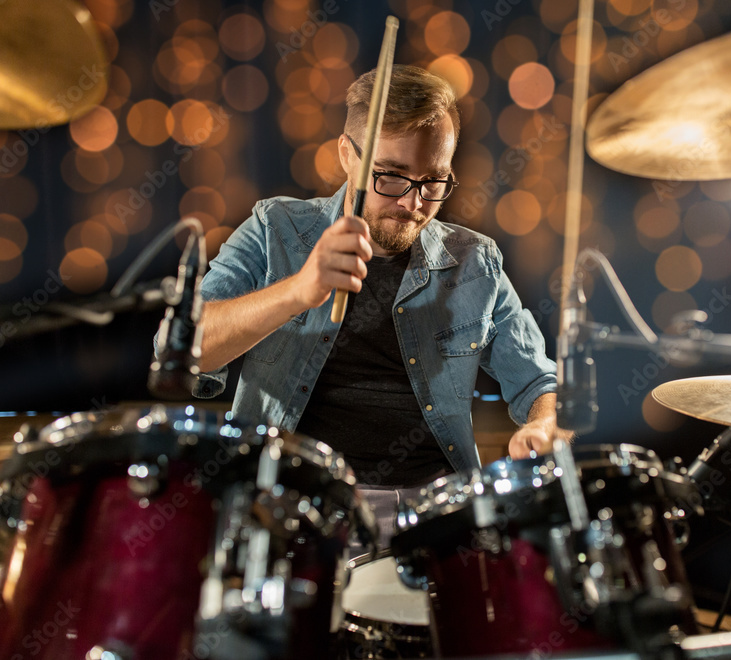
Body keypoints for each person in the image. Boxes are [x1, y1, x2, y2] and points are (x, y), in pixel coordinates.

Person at [193, 65, 565, 543]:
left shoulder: (476, 260)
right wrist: (299, 290)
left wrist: (543, 423)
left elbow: (535, 378)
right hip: (292, 508)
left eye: (433, 181)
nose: (412, 203)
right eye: (391, 176)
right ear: (347, 154)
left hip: (433, 514)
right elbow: (186, 349)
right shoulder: (274, 229)